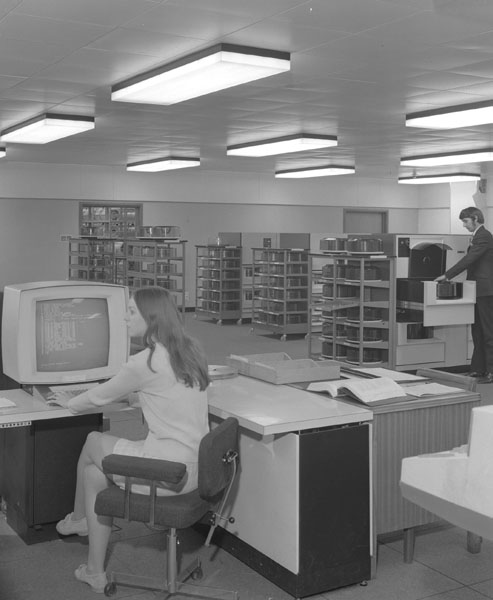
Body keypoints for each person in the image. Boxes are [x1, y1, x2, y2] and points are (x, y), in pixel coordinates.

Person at [54, 286, 210, 593]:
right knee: (93, 473)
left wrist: (68, 402)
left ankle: (78, 519)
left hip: (165, 474)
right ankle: (94, 571)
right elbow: (168, 391)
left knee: (92, 439)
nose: (125, 319)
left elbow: (99, 397)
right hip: (195, 471)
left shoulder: (146, 362)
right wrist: (139, 397)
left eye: (131, 312)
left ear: (151, 319)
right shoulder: (189, 349)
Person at [435, 206, 493, 383]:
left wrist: (447, 275)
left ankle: (491, 371)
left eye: (466, 221)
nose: (464, 225)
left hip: (485, 290)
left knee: (488, 332)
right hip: (476, 288)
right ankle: (478, 368)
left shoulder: (484, 236)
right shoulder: (476, 236)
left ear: (476, 218)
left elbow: (470, 259)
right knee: (477, 331)